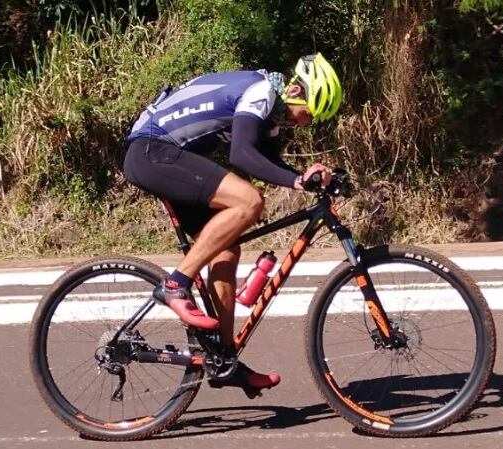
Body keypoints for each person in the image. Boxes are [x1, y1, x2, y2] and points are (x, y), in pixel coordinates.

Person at [123, 53, 342, 397]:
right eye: (310, 112)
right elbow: (242, 155)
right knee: (249, 201)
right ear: (298, 91)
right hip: (151, 152)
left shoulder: (268, 112)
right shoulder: (260, 91)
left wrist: (307, 178)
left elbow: (266, 160)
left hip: (163, 155)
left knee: (225, 249)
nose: (306, 123)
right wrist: (299, 181)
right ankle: (175, 285)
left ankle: (224, 360)